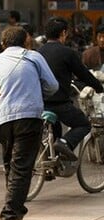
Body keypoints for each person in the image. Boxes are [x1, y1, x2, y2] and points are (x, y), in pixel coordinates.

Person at [0, 26, 59, 220]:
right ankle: (10, 212)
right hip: (28, 116)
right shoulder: (33, 57)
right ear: (26, 41)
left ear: (3, 44)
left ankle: (17, 207)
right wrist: (36, 93)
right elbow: (52, 85)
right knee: (21, 165)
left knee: (10, 164)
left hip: (2, 118)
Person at [38, 17, 104, 160]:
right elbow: (84, 74)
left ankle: (51, 164)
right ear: (63, 33)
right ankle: (65, 143)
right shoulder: (67, 52)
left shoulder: (38, 53)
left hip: (41, 103)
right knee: (84, 124)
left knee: (54, 131)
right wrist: (98, 87)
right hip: (60, 104)